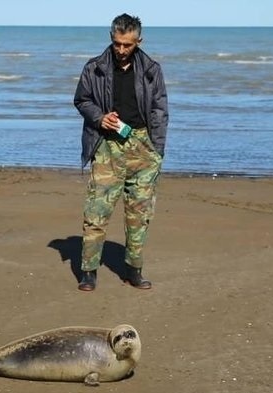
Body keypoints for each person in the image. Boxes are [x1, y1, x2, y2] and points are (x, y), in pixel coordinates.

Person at [73, 13, 168, 291]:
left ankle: (133, 270)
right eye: (117, 44)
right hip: (106, 146)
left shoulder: (152, 69)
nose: (121, 50)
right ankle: (89, 271)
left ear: (139, 41)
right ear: (111, 39)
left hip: (143, 147)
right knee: (96, 213)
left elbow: (160, 110)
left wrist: (156, 150)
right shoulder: (95, 68)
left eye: (127, 44)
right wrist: (100, 117)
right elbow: (81, 99)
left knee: (139, 214)